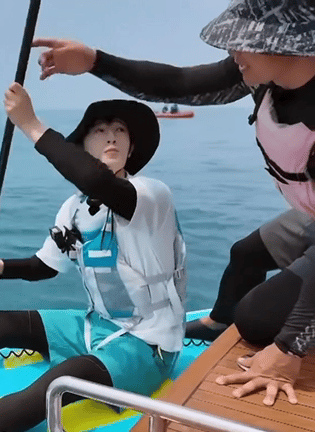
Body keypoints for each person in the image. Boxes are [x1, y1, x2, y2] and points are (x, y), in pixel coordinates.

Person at [31, 0, 315, 406]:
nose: (232, 51)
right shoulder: (265, 72)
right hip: (309, 213)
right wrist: (95, 61)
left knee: (255, 321)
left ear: (287, 43)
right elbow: (181, 83)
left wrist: (288, 350)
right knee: (246, 255)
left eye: (242, 41)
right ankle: (217, 322)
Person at [0, 91, 186, 432]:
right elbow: (45, 265)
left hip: (148, 345)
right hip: (97, 325)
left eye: (120, 130)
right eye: (100, 130)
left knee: (64, 379)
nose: (111, 136)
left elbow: (98, 181)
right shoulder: (75, 208)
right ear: (84, 147)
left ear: (131, 147)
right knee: (4, 322)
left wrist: (30, 124)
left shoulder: (151, 194)